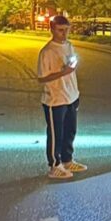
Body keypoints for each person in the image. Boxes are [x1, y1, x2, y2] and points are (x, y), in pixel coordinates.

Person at [37, 15, 87, 179]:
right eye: (60, 30)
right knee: (55, 134)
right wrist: (63, 72)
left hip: (71, 95)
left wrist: (70, 68)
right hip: (55, 99)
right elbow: (41, 78)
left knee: (70, 131)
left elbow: (71, 67)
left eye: (66, 30)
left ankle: (67, 160)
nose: (64, 34)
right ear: (52, 29)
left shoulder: (69, 46)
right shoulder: (47, 52)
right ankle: (54, 165)